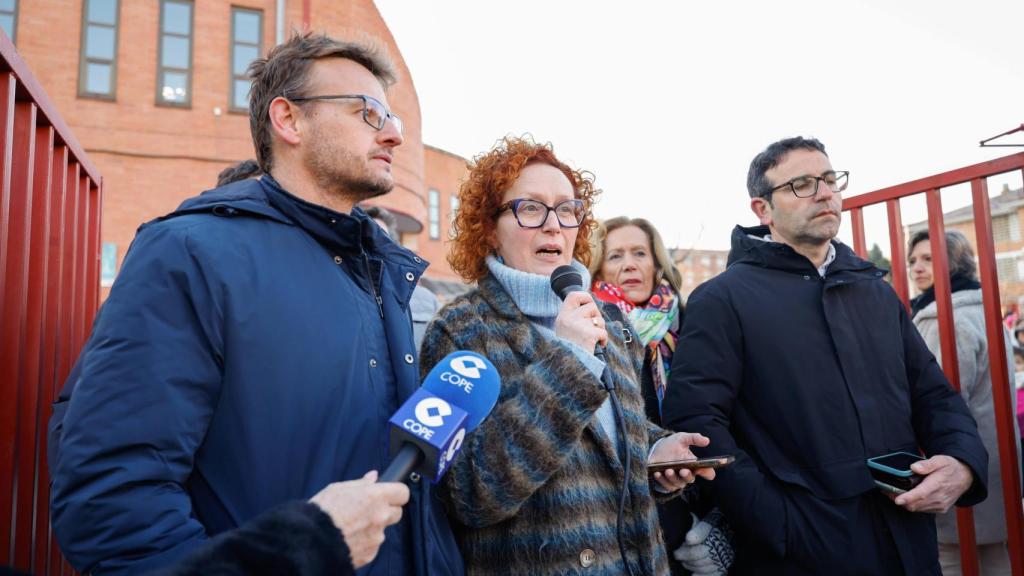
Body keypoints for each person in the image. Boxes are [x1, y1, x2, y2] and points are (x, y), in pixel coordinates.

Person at [49, 32, 462, 576]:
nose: (391, 135)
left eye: (394, 119)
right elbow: (113, 501)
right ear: (288, 120)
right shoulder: (189, 253)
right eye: (367, 112)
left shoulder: (381, 271)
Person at [663, 136, 988, 575]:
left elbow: (934, 394)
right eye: (801, 184)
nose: (824, 192)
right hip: (799, 553)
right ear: (762, 209)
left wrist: (962, 462)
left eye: (830, 179)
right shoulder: (722, 300)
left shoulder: (874, 290)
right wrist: (780, 525)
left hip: (905, 540)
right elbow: (698, 424)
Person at [419, 136, 715, 575]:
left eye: (567, 209)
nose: (554, 225)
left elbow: (609, 441)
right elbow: (469, 492)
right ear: (489, 227)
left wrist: (655, 451)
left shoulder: (610, 321)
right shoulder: (461, 329)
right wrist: (569, 363)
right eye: (531, 208)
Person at [590, 217, 733, 575]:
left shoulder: (689, 321)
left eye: (640, 252)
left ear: (656, 262)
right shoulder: (585, 331)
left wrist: (720, 520)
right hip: (618, 519)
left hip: (695, 502)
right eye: (615, 256)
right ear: (599, 268)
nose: (629, 264)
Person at [908, 229, 1018, 576]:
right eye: (913, 260)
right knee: (996, 557)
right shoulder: (983, 309)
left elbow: (940, 403)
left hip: (963, 463)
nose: (917, 268)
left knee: (956, 559)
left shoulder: (946, 320)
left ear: (955, 265)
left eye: (928, 259)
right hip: (998, 457)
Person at [362, 204, 441, 349]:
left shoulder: (429, 304)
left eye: (380, 238)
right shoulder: (343, 299)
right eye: (365, 238)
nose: (370, 246)